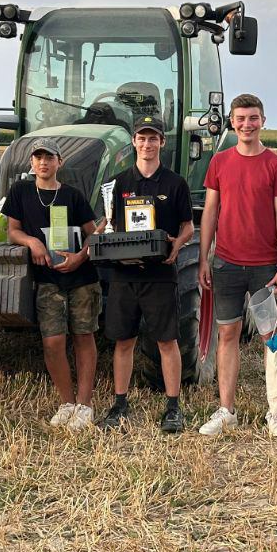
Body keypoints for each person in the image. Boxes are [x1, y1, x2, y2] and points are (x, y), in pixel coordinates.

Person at [197, 93, 277, 435]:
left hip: (266, 267)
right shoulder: (220, 162)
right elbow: (210, 212)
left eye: (253, 118)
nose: (246, 124)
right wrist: (203, 259)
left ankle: (276, 411)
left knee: (272, 336)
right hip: (226, 264)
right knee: (227, 334)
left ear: (262, 121)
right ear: (232, 123)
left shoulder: (276, 165)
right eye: (240, 118)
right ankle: (226, 410)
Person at [96, 116, 195, 433]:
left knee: (167, 341)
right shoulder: (118, 183)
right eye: (142, 138)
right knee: (123, 341)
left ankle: (173, 407)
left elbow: (188, 226)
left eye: (153, 138)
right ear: (134, 142)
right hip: (125, 276)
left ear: (162, 143)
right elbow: (107, 224)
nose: (147, 144)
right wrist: (91, 245)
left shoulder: (175, 183)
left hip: (160, 275)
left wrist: (178, 245)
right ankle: (120, 403)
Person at [3, 138, 101, 429]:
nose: (43, 163)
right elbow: (12, 231)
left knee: (84, 336)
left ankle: (85, 405)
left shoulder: (73, 195)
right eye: (38, 157)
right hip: (47, 279)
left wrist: (80, 258)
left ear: (60, 162)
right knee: (53, 342)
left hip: (81, 277)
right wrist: (32, 241)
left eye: (50, 157)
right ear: (31, 163)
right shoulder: (20, 192)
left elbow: (92, 235)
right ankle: (67, 401)